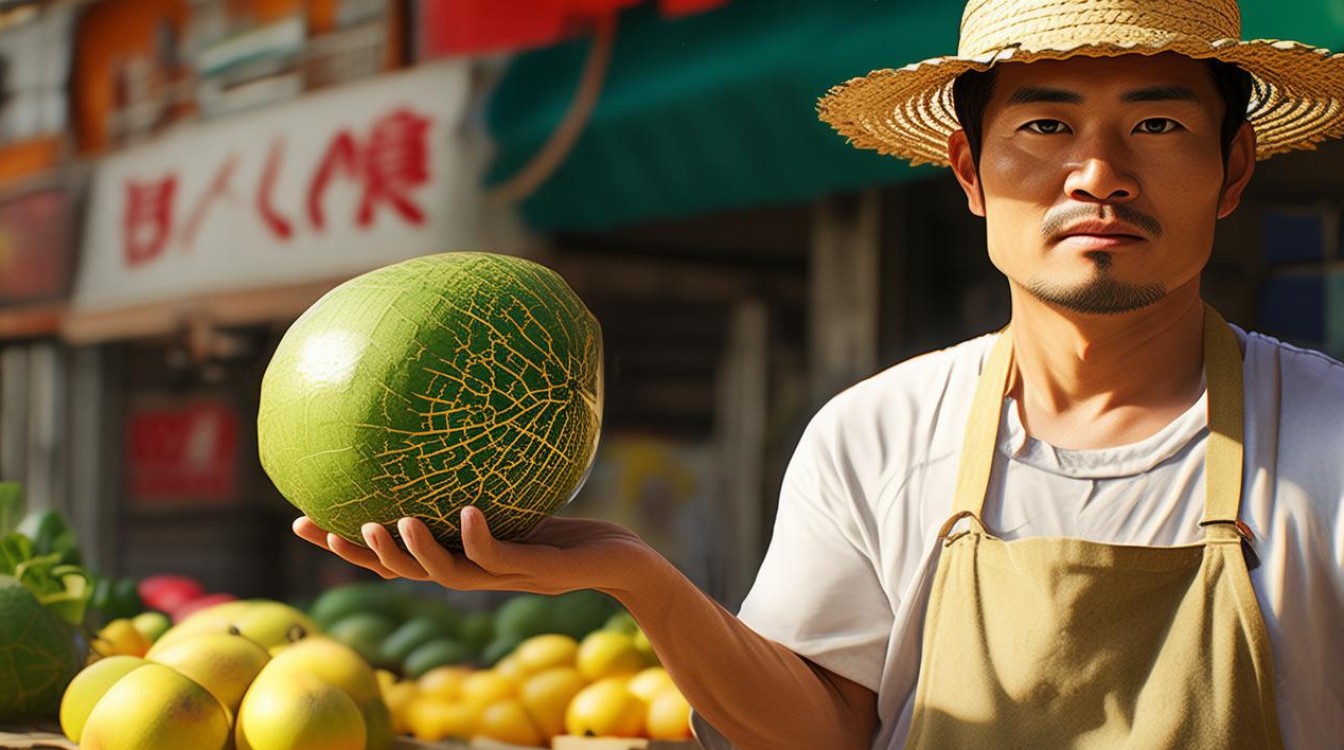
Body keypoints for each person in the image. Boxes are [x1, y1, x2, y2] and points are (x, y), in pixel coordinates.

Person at [293, 0, 1344, 747]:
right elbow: (823, 733)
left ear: (1234, 169)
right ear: (970, 173)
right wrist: (636, 577)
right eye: (1046, 125)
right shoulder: (877, 433)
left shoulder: (1331, 440)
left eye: (1157, 124)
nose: (1099, 173)